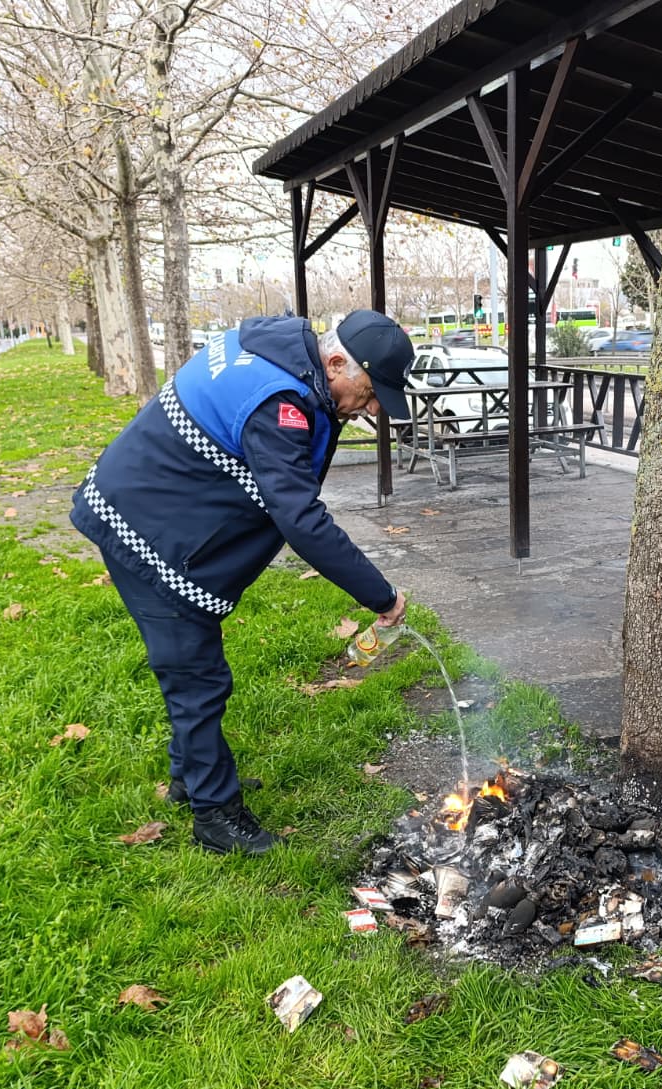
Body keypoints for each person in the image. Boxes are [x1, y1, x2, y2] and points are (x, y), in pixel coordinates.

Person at [71, 310, 414, 855]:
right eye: (370, 394)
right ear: (333, 362)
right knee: (196, 678)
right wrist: (381, 594)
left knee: (197, 666)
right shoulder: (278, 403)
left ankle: (189, 779)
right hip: (143, 524)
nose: (371, 409)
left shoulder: (282, 350)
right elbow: (299, 517)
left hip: (161, 508)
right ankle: (215, 816)